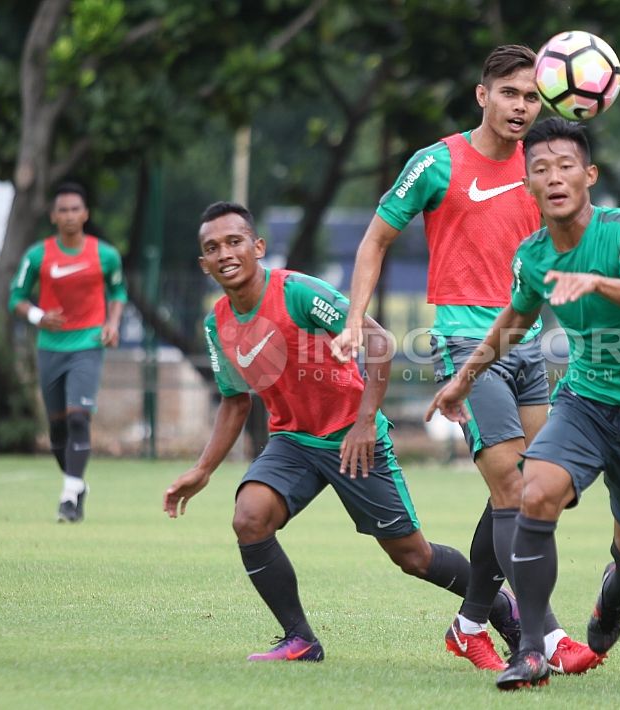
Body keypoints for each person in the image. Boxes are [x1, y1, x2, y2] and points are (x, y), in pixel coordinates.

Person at [334, 45, 620, 673]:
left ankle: (471, 621)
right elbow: (376, 238)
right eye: (510, 95)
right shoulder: (438, 163)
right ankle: (542, 638)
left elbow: (599, 236)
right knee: (515, 487)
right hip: (468, 343)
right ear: (483, 96)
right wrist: (358, 316)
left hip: (524, 348)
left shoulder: (539, 172)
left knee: (530, 495)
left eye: (531, 97)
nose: (522, 107)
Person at [427, 118, 620, 690]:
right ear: (529, 185)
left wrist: (593, 282)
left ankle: (615, 591)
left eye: (565, 166)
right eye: (540, 169)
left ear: (589, 175)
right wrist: (463, 380)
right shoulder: (533, 255)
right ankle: (533, 650)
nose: (553, 177)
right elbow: (515, 319)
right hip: (584, 402)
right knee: (533, 492)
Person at [161, 202, 504, 662]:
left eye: (234, 241)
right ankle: (300, 639)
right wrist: (203, 470)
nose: (225, 253)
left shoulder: (298, 293)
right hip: (293, 442)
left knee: (413, 557)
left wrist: (365, 421)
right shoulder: (216, 323)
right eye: (212, 248)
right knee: (249, 518)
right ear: (204, 265)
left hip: (351, 435)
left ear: (257, 247)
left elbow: (378, 341)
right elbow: (235, 400)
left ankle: (505, 614)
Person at [10, 182, 126, 523]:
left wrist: (113, 323)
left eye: (76, 209)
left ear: (86, 214)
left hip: (88, 344)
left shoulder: (106, 255)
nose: (70, 215)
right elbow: (15, 298)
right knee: (58, 430)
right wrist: (38, 316)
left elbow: (118, 291)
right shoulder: (37, 256)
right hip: (49, 347)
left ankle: (68, 497)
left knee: (79, 417)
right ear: (53, 216)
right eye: (63, 210)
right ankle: (76, 485)